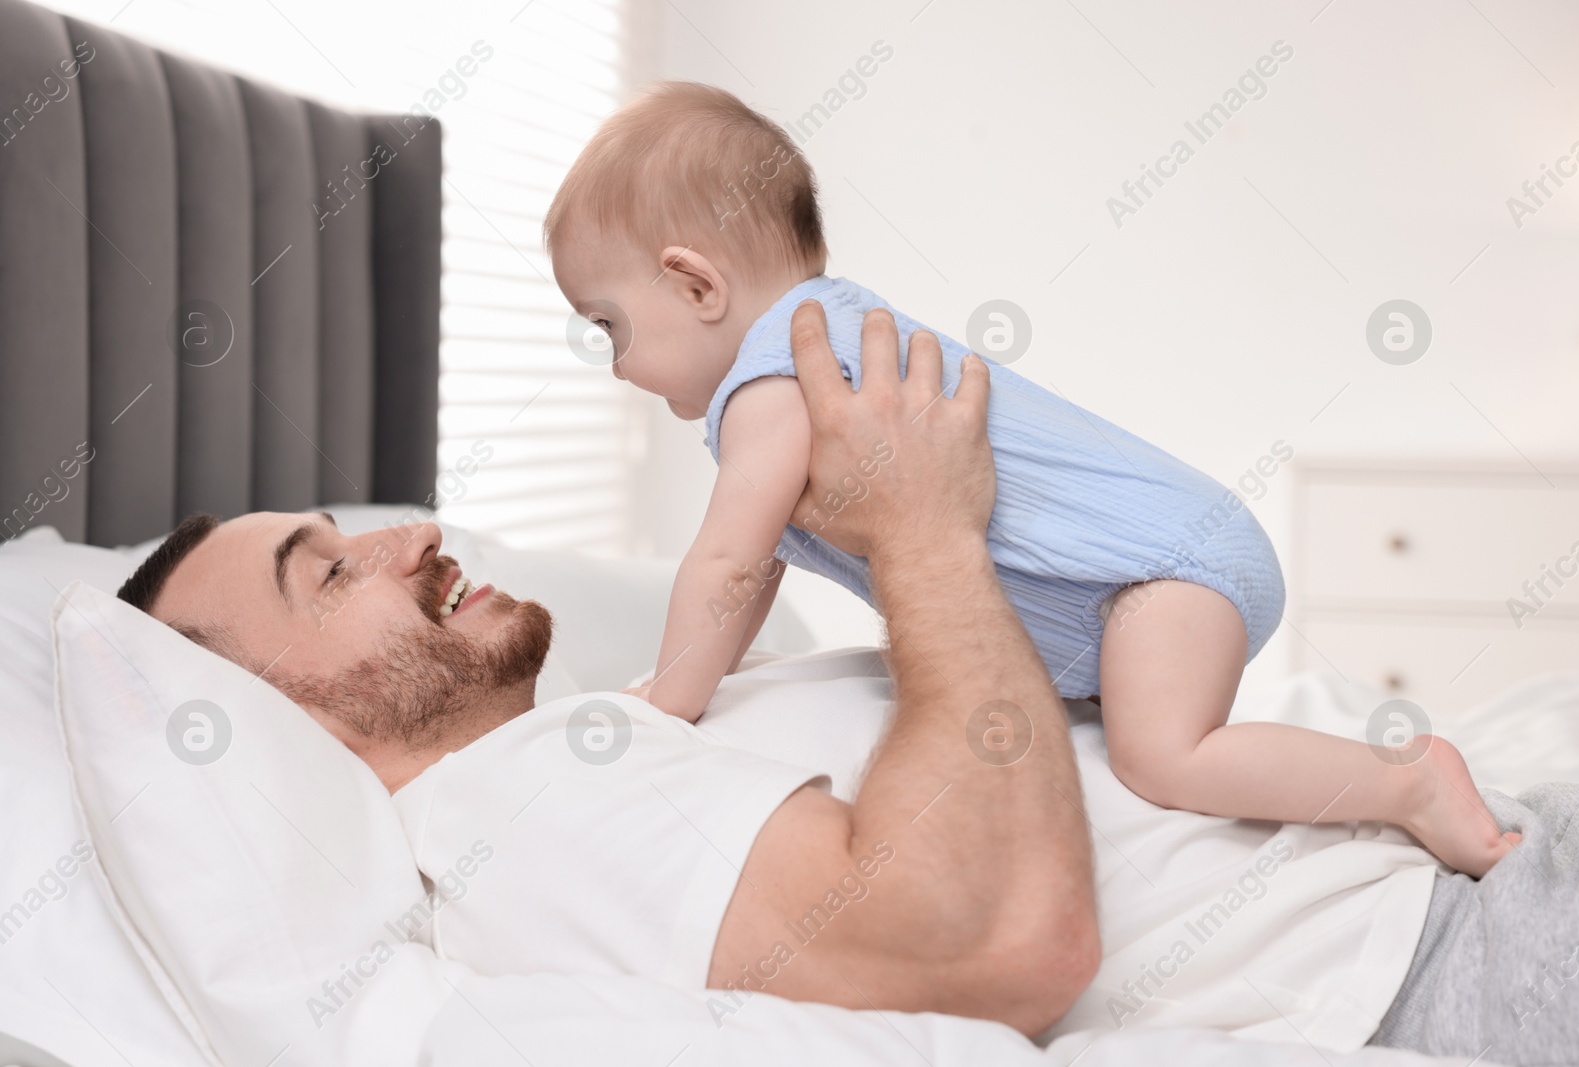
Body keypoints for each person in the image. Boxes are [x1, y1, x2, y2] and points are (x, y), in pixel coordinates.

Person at [117, 308, 1579, 1063]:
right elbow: (1000, 938)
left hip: (1469, 872)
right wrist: (925, 530)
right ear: (268, 716)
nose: (413, 537)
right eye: (326, 573)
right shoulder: (519, 814)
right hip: (1448, 949)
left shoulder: (596, 736)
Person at [541, 81, 1516, 877]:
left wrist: (666, 700)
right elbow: (751, 575)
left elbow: (726, 562)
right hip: (1142, 578)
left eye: (608, 326)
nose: (616, 364)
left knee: (1161, 755)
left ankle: (1408, 781)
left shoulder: (777, 373)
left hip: (1160, 571)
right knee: (1130, 742)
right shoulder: (816, 356)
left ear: (694, 284)